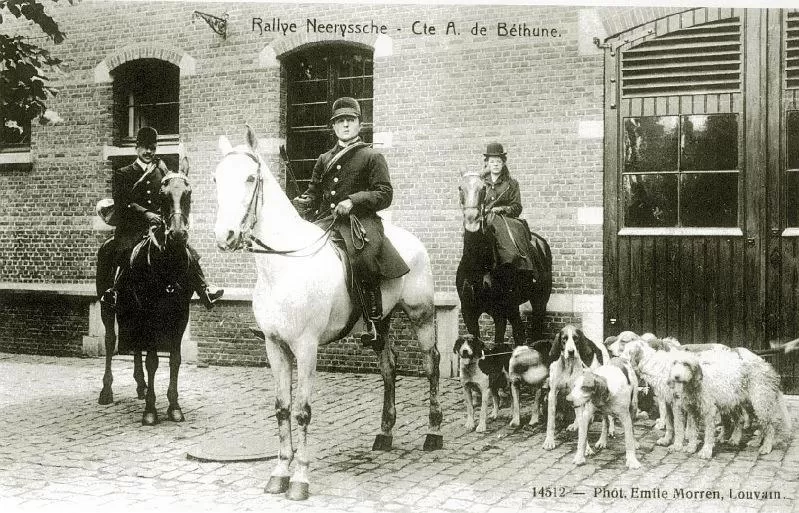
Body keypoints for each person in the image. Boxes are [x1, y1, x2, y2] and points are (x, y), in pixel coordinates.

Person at [293, 97, 409, 347]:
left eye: (350, 120)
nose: (345, 125)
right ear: (333, 127)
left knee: (362, 258)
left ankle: (374, 322)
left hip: (361, 222)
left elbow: (385, 194)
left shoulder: (371, 156)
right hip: (328, 221)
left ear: (359, 124)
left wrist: (354, 201)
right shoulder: (324, 158)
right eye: (340, 121)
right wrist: (304, 201)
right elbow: (314, 193)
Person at [96, 126, 224, 310]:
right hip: (133, 226)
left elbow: (169, 198)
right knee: (125, 252)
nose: (149, 152)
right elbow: (122, 202)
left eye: (153, 148)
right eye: (145, 147)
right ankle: (114, 292)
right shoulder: (124, 173)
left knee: (185, 247)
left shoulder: (162, 173)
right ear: (137, 148)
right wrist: (146, 213)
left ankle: (205, 289)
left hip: (158, 226)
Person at [481, 142, 537, 294]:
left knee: (516, 232)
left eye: (498, 161)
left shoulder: (512, 184)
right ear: (487, 163)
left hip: (504, 219)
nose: (495, 165)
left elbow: (517, 207)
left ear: (503, 163)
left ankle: (524, 265)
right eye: (492, 161)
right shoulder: (481, 183)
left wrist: (502, 209)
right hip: (484, 219)